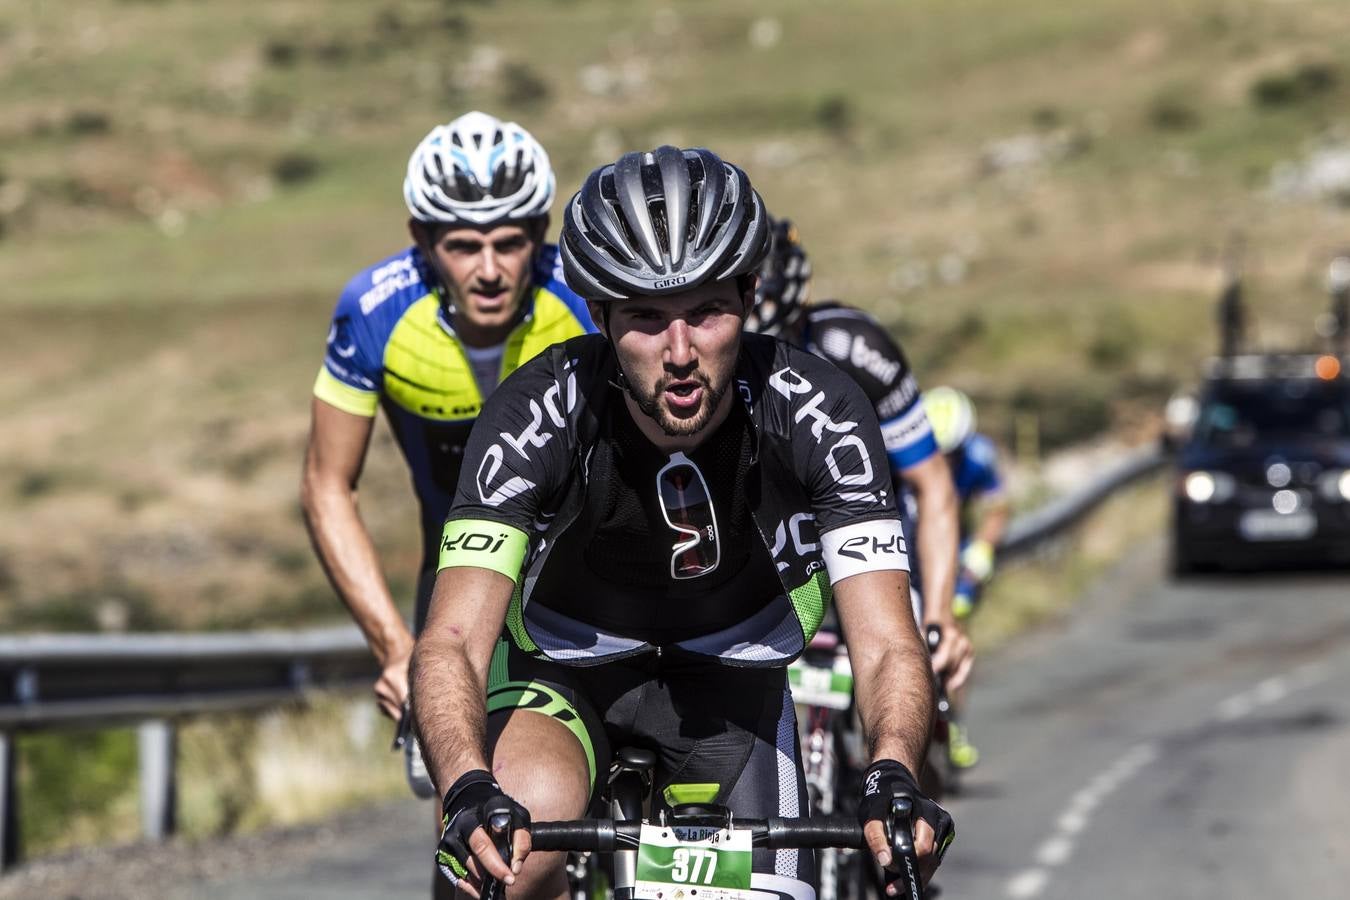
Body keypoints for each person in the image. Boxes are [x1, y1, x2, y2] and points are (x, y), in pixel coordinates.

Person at [412, 146, 953, 900]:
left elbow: (888, 640)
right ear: (598, 315)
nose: (680, 353)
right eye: (645, 317)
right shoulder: (534, 412)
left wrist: (893, 765)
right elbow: (453, 639)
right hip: (563, 667)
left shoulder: (821, 409)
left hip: (733, 672)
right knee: (507, 854)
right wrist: (467, 782)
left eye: (705, 311)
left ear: (750, 293)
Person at [300, 110, 595, 797]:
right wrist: (395, 649)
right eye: (463, 246)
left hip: (585, 569)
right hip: (460, 571)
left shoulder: (583, 298)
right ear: (422, 241)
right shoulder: (375, 311)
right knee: (467, 807)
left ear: (541, 236)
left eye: (510, 243)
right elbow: (326, 485)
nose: (489, 270)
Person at [746, 219, 973, 693]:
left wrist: (938, 615)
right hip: (769, 519)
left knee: (912, 674)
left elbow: (932, 485)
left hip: (864, 511)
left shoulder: (856, 347)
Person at [921, 385, 1011, 770]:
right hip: (912, 549)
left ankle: (953, 721)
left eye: (952, 453)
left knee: (953, 624)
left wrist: (983, 548)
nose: (947, 461)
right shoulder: (904, 453)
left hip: (957, 556)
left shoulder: (979, 456)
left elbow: (998, 506)